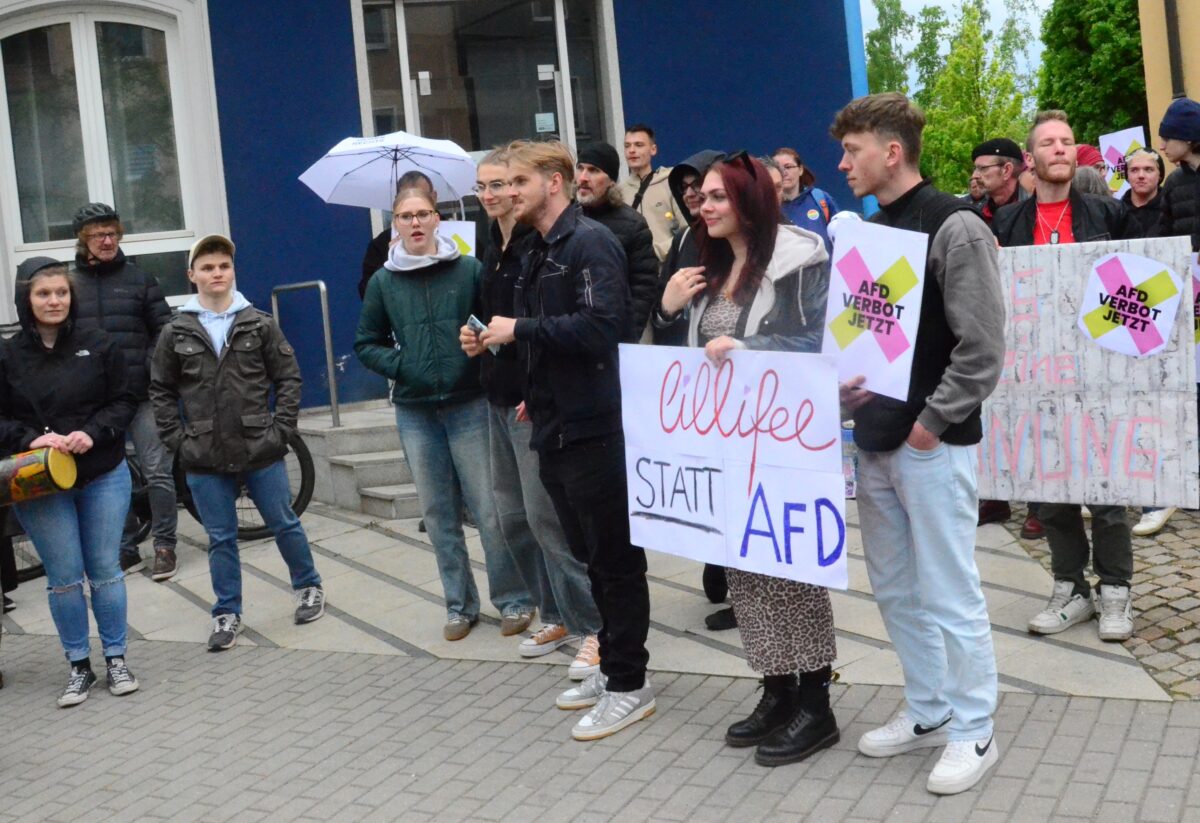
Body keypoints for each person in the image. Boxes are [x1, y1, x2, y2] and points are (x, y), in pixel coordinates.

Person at [833, 93, 1005, 795]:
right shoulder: (873, 231)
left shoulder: (954, 225)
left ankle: (975, 727)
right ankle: (930, 708)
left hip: (930, 444)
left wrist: (931, 424)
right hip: (875, 442)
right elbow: (863, 342)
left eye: (853, 150)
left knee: (950, 590)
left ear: (892, 151)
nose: (843, 164)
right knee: (898, 591)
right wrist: (845, 394)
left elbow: (982, 347)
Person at [656, 153, 837, 767]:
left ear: (748, 200)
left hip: (782, 445)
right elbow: (675, 357)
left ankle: (816, 703)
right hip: (725, 446)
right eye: (700, 197)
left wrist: (750, 345)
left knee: (792, 573)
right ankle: (776, 688)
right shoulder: (705, 266)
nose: (702, 206)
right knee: (746, 577)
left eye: (716, 197)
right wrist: (667, 308)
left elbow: (819, 340)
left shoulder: (798, 258)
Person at [477, 140, 653, 741]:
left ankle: (630, 684)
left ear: (553, 182)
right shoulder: (537, 247)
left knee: (615, 561)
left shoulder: (589, 242)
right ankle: (613, 665)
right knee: (590, 557)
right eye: (502, 183)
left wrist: (520, 329)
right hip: (554, 422)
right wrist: (531, 380)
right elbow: (548, 338)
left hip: (597, 426)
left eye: (518, 181)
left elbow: (604, 327)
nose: (508, 192)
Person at [356, 188, 534, 642]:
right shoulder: (383, 282)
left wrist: (479, 351)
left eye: (423, 214)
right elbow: (366, 343)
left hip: (469, 402)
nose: (415, 223)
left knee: (489, 509)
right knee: (438, 515)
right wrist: (404, 366)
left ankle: (514, 599)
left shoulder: (469, 269)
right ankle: (459, 606)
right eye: (405, 216)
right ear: (395, 225)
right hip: (416, 412)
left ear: (438, 219)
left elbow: (492, 327)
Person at [462, 149, 603, 678]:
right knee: (511, 516)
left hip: (532, 399)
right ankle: (559, 614)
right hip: (496, 392)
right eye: (484, 186)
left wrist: (529, 372)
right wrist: (477, 338)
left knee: (548, 519)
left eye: (504, 183)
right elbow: (500, 319)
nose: (495, 194)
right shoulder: (492, 242)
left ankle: (595, 626)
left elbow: (563, 323)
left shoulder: (540, 242)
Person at [993, 110, 1133, 643]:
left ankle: (1115, 590)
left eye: (1067, 142)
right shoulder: (1007, 223)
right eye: (1049, 142)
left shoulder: (1108, 214)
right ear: (1029, 159)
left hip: (1101, 374)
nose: (1060, 149)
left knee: (1109, 489)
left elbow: (1139, 284)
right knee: (1050, 489)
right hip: (1037, 376)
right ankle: (1071, 587)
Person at [151, 235, 326, 651]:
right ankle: (227, 612)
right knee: (221, 538)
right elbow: (161, 391)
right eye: (207, 267)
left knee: (284, 523)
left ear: (232, 271)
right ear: (192, 275)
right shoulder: (175, 332)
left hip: (259, 445)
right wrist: (178, 440)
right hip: (203, 453)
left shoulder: (259, 323)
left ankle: (308, 586)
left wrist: (282, 430)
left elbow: (288, 377)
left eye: (224, 266)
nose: (217, 273)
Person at [0, 256, 139, 706]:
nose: (54, 300)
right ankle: (79, 665)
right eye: (43, 293)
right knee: (63, 577)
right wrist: (33, 439)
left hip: (102, 473)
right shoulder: (7, 354)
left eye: (61, 292)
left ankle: (116, 658)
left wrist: (93, 432)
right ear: (26, 299)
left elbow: (124, 399)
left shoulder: (99, 343)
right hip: (39, 481)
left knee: (104, 571)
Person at [70, 203, 177, 581]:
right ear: (82, 240)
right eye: (98, 235)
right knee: (110, 475)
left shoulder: (140, 279)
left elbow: (164, 329)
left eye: (112, 233)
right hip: (99, 402)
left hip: (143, 394)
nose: (107, 240)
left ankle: (165, 546)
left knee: (157, 471)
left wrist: (148, 368)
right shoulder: (70, 286)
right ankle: (125, 548)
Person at [576, 142, 660, 341]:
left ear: (611, 181)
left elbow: (643, 287)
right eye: (580, 168)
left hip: (613, 336)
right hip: (574, 332)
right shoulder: (567, 219)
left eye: (594, 170)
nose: (583, 178)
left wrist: (627, 338)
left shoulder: (633, 225)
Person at [359, 170, 438, 299]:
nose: (414, 202)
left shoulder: (456, 234)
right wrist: (389, 260)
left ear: (434, 197)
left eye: (421, 197)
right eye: (407, 198)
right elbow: (366, 293)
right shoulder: (381, 244)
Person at [620, 124, 683, 261]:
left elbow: (687, 231)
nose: (632, 150)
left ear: (653, 149)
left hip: (667, 268)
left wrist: (653, 252)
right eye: (627, 146)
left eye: (639, 145)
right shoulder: (619, 192)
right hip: (633, 271)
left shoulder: (670, 182)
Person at [1155, 96, 1200, 252]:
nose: (1161, 146)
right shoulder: (1173, 181)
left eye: (1167, 139)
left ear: (1188, 138)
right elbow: (1164, 237)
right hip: (1186, 266)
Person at [773, 148, 840, 250]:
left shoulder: (820, 198)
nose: (783, 172)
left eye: (788, 167)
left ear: (800, 170)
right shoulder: (768, 205)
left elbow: (840, 237)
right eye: (778, 168)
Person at [969, 138, 1029, 226]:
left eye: (982, 168)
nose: (974, 176)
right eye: (975, 169)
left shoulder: (1034, 213)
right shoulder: (976, 213)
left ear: (1007, 170)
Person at [1120, 147, 1166, 239]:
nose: (1141, 175)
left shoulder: (1171, 210)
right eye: (1134, 170)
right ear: (1127, 176)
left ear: (1160, 175)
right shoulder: (1117, 213)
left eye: (1148, 169)